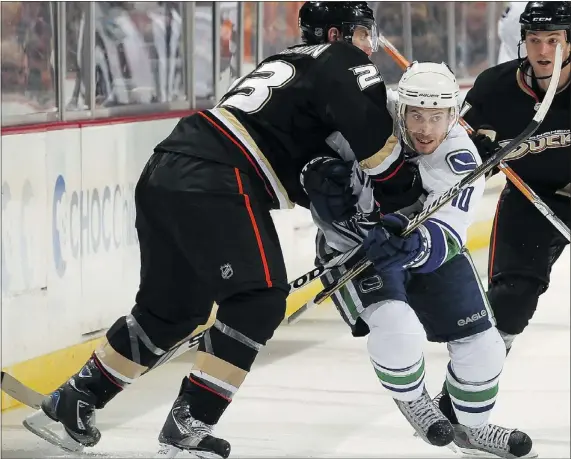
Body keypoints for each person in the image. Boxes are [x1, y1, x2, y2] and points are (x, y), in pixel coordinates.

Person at [22, 3, 415, 458]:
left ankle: (74, 400)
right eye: (363, 34)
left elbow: (306, 165)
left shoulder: (284, 64)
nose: (372, 45)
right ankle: (190, 424)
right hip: (218, 178)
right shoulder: (342, 60)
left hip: (167, 168)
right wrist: (406, 198)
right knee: (258, 300)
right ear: (335, 35)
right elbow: (379, 151)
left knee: (170, 311)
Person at [310, 62, 534, 458]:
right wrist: (315, 179)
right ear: (401, 110)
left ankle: (472, 430)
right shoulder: (368, 124)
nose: (425, 128)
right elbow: (308, 160)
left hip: (423, 249)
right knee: (400, 330)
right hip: (356, 249)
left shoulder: (459, 154)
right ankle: (415, 400)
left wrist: (412, 245)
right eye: (416, 115)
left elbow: (448, 229)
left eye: (436, 117)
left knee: (485, 347)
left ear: (452, 115)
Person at [463, 1, 570, 356]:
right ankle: (460, 406)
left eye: (553, 40)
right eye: (534, 39)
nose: (542, 51)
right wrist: (473, 155)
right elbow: (455, 153)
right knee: (508, 305)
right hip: (531, 200)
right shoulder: (496, 89)